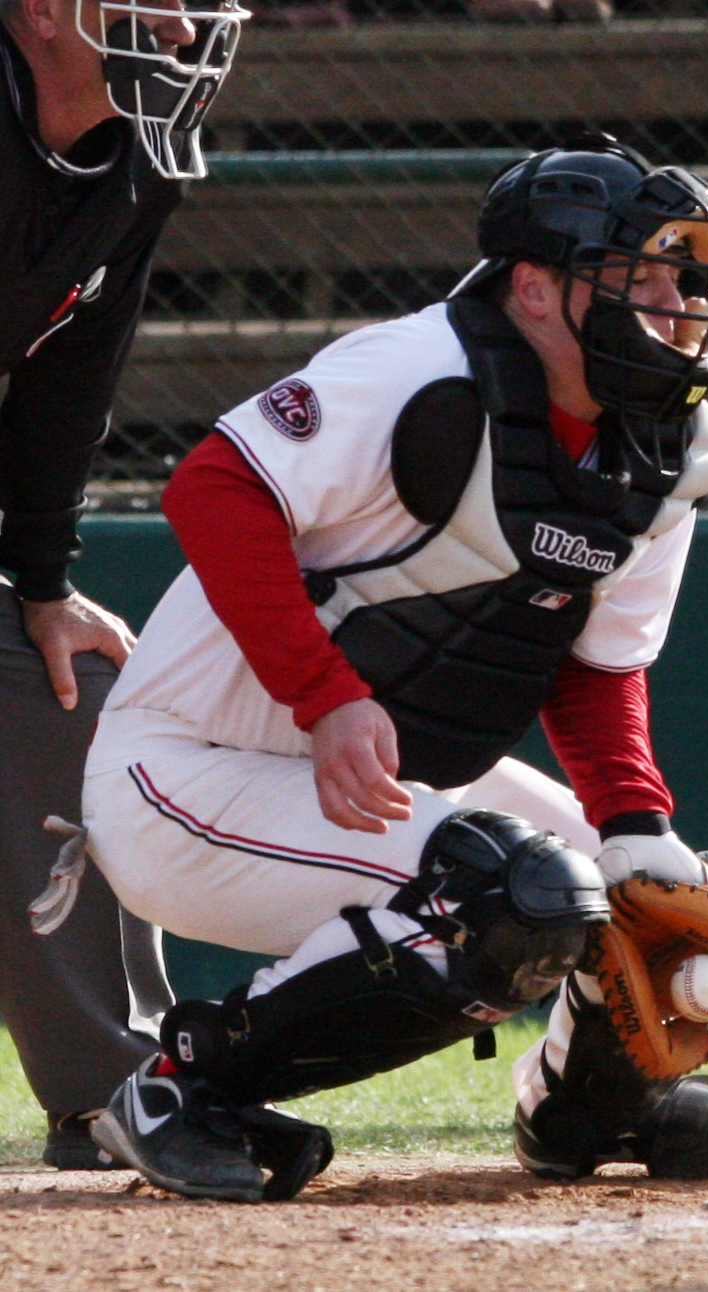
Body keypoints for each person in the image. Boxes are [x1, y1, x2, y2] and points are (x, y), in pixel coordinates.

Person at [78, 133, 708, 1202]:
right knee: (520, 893)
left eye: (679, 282)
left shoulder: (670, 447)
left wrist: (635, 819)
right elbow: (214, 488)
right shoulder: (418, 370)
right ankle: (186, 1088)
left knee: (664, 894)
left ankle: (585, 1105)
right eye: (636, 279)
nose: (672, 306)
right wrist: (325, 698)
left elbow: (597, 662)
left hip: (378, 789)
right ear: (538, 290)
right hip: (183, 775)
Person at [0, 0, 247, 1168]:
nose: (184, 34)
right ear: (43, 11)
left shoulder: (134, 163)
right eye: (147, 4)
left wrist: (43, 584)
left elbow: (67, 381)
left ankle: (115, 1086)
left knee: (63, 691)